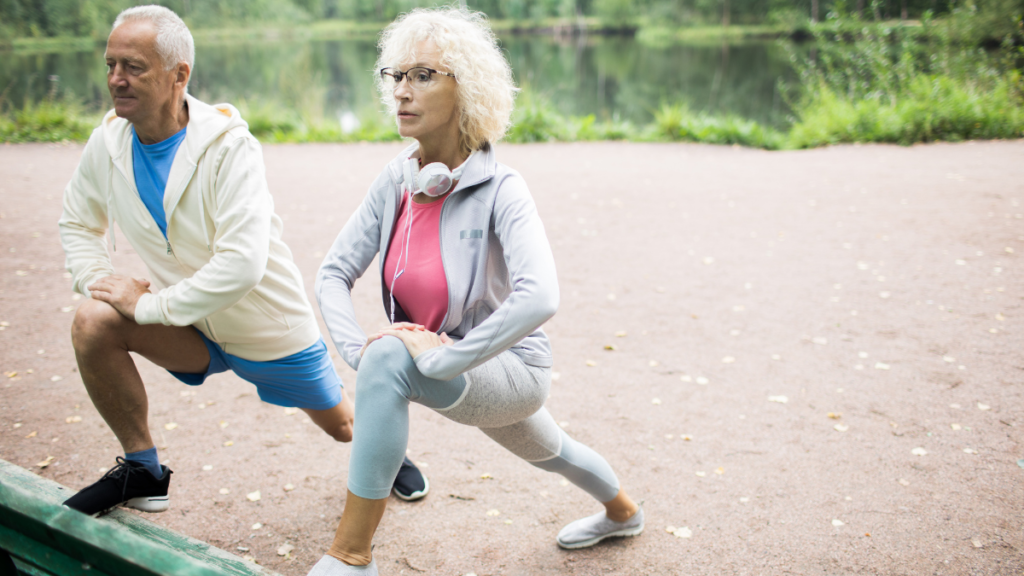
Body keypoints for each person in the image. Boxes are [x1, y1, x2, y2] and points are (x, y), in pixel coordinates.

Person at [57, 4, 427, 517]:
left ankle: (389, 451)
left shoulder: (230, 149)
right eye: (110, 65)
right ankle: (143, 471)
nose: (116, 79)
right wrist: (101, 282)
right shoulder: (108, 143)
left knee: (342, 425)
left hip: (264, 328)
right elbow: (78, 222)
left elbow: (241, 265)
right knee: (93, 322)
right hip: (186, 324)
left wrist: (147, 307)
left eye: (133, 67)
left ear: (178, 75)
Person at [311, 7, 643, 574]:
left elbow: (540, 296)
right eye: (396, 76)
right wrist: (357, 354)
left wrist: (446, 358)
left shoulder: (503, 190)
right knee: (553, 453)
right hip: (454, 367)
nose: (401, 92)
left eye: (422, 76)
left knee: (394, 357)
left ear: (468, 89)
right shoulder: (397, 181)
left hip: (512, 370)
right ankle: (623, 513)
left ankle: (350, 556)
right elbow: (331, 274)